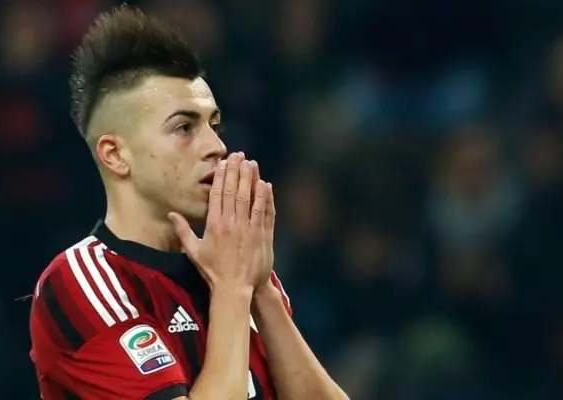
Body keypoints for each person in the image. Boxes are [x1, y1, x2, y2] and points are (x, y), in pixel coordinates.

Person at [29, 6, 349, 400]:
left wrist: (262, 290)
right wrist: (233, 290)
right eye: (184, 128)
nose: (217, 146)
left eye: (214, 125)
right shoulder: (81, 283)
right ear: (115, 155)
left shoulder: (230, 262)